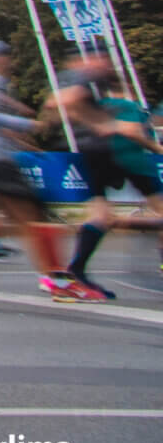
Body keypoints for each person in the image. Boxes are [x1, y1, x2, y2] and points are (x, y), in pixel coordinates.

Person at [0, 38, 91, 300]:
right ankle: (56, 280)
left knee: (15, 221)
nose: (7, 61)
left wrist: (23, 137)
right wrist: (26, 125)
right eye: (2, 56)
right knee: (33, 219)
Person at [53, 50, 159, 298]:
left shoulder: (96, 97)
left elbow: (62, 106)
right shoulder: (126, 104)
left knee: (101, 216)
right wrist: (157, 148)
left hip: (93, 154)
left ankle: (75, 272)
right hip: (125, 157)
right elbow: (132, 132)